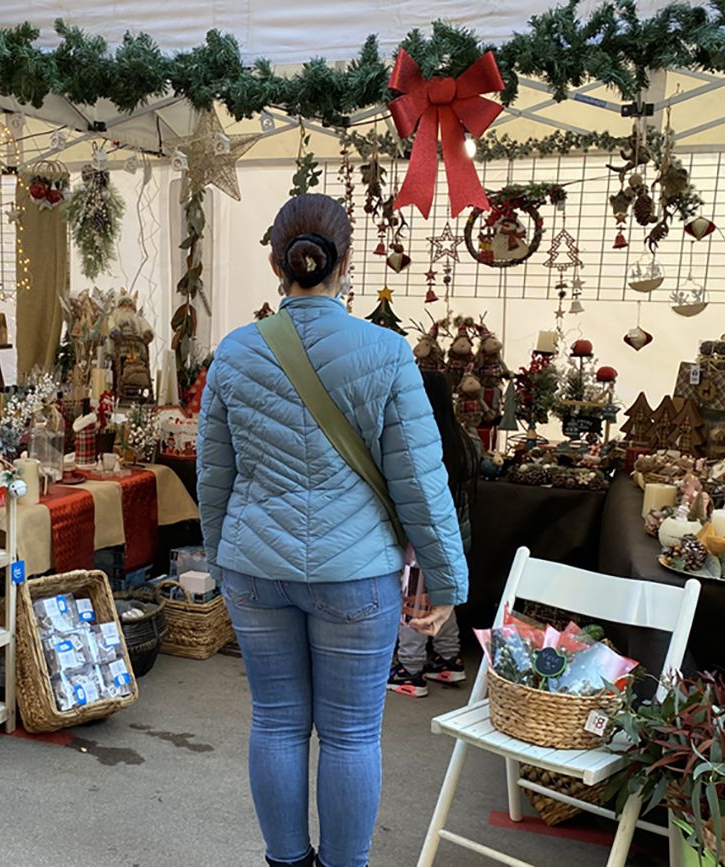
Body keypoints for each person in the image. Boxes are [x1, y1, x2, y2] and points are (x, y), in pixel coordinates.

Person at [197, 194, 469, 867]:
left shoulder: (234, 354)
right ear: (346, 263)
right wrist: (447, 578)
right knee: (350, 733)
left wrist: (222, 559)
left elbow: (214, 477)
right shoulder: (386, 352)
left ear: (274, 262)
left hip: (257, 570)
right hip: (356, 573)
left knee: (277, 720)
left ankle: (286, 861)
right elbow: (420, 479)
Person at [389, 370, 479, 697]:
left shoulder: (417, 438)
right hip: (452, 533)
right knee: (440, 597)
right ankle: (447, 660)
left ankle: (410, 672)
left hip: (419, 537)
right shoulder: (463, 439)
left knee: (413, 599)